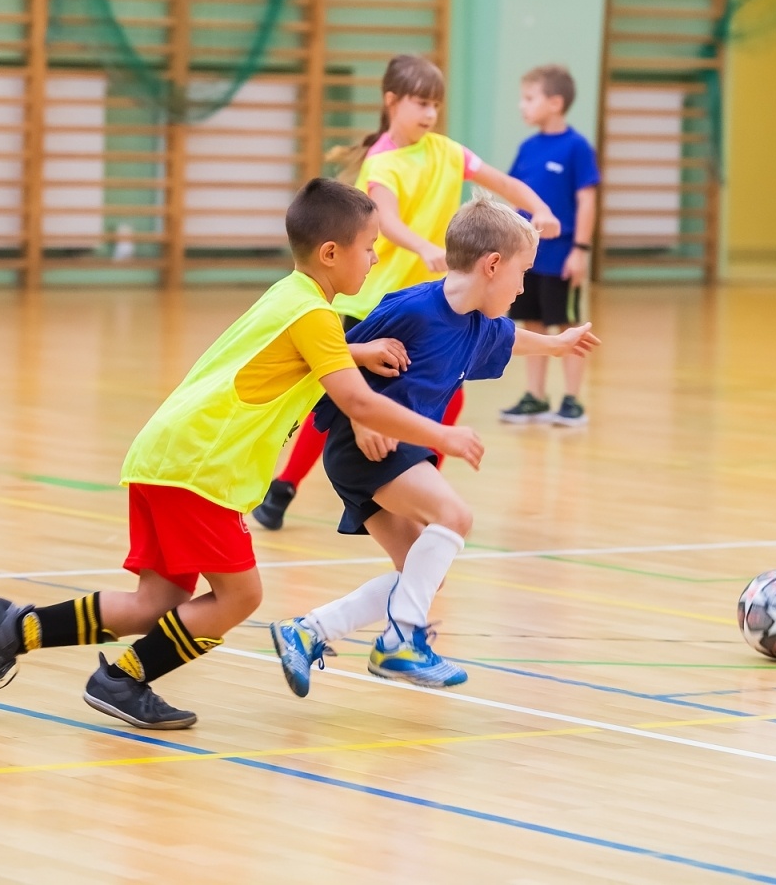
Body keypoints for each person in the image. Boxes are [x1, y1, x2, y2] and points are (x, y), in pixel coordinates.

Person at [0, 179, 484, 730]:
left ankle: (14, 628)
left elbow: (289, 356)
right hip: (199, 468)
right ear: (331, 253)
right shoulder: (314, 316)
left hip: (169, 457)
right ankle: (122, 680)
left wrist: (356, 348)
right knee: (239, 595)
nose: (377, 256)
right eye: (369, 245)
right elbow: (355, 399)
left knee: (154, 603)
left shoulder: (293, 298)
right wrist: (441, 435)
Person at [270, 196, 599, 692]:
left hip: (385, 453)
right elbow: (332, 360)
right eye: (522, 274)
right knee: (456, 517)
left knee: (421, 574)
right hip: (366, 448)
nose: (522, 287)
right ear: (492, 265)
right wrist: (357, 420)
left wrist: (555, 344)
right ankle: (400, 642)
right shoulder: (412, 310)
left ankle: (308, 631)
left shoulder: (475, 324)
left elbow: (508, 336)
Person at [249, 53, 561, 530]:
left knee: (449, 389)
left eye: (435, 104)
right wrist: (423, 246)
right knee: (340, 398)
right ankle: (284, 487)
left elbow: (502, 182)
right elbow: (387, 219)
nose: (430, 113)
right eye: (420, 102)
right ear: (391, 101)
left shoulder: (448, 151)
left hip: (430, 304)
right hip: (373, 301)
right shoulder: (384, 161)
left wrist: (539, 207)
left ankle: (415, 479)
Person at [499, 64, 599, 427]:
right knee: (533, 323)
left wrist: (581, 250)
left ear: (555, 103)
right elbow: (515, 197)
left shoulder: (577, 147)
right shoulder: (527, 148)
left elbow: (586, 200)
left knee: (567, 325)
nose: (522, 106)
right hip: (529, 256)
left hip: (562, 257)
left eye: (529, 98)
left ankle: (572, 400)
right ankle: (535, 397)